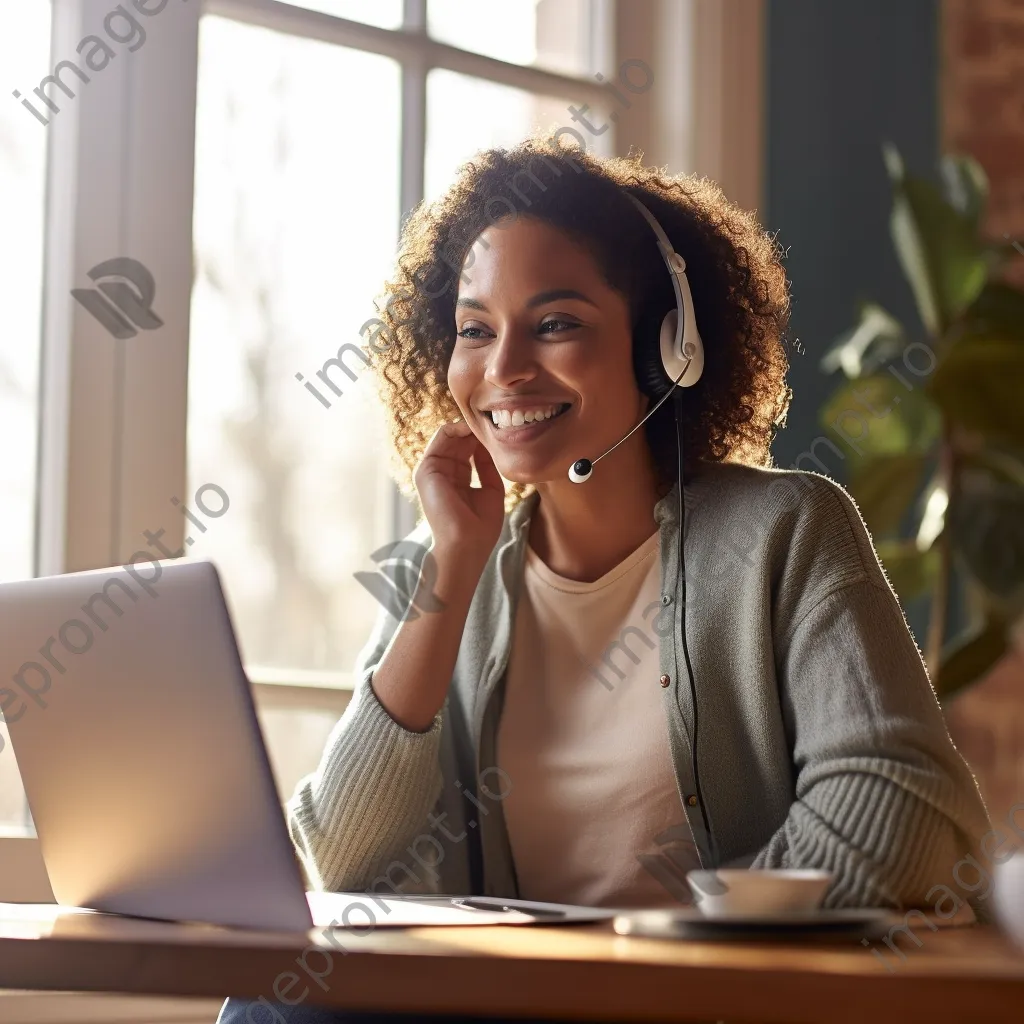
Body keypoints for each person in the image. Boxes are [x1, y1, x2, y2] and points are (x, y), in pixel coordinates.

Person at [218, 135, 991, 1023]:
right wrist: (453, 569)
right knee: (272, 1004)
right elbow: (344, 865)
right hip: (509, 1008)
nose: (502, 368)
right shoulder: (434, 571)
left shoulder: (785, 532)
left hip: (709, 1009)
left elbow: (898, 798)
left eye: (555, 324)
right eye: (475, 330)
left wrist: (665, 964)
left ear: (666, 347)